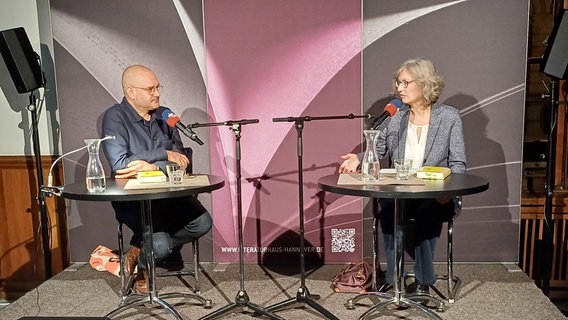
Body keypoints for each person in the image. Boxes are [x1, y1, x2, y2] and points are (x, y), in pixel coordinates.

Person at [339, 58, 466, 294]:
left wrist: (449, 193)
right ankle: (394, 278)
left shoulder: (449, 118)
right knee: (387, 209)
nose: (399, 88)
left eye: (406, 83)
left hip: (437, 194)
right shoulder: (395, 116)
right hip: (401, 192)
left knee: (426, 211)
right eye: (398, 83)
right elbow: (378, 150)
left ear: (425, 84)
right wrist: (359, 157)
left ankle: (423, 282)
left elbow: (458, 164)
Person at [101, 65, 213, 294]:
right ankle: (144, 265)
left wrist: (150, 165)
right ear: (131, 92)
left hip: (169, 194)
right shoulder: (115, 117)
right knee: (160, 246)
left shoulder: (165, 115)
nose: (157, 93)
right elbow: (121, 165)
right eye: (150, 89)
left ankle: (138, 250)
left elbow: (182, 159)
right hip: (134, 198)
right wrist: (163, 155)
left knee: (202, 222)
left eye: (157, 88)